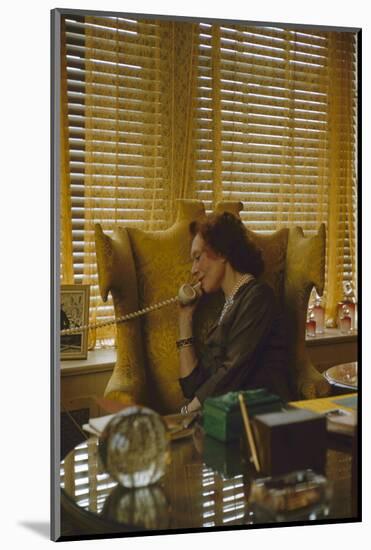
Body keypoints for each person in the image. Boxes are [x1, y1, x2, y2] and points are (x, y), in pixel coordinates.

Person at [177, 211, 290, 415]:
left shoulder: (258, 298)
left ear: (221, 253)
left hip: (262, 420)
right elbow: (191, 387)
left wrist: (185, 413)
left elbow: (232, 371)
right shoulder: (228, 305)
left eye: (197, 258)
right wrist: (185, 317)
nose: (193, 270)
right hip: (229, 415)